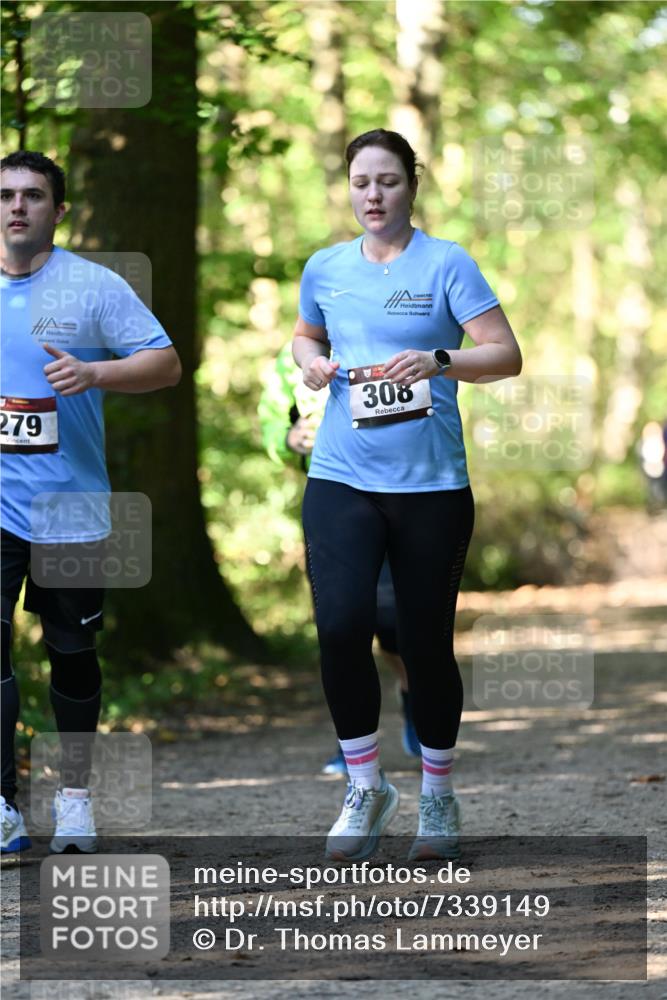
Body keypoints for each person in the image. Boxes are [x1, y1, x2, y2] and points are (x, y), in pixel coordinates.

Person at [292, 129, 522, 862]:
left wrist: (439, 359)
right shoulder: (324, 268)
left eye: (387, 181)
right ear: (348, 188)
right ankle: (364, 788)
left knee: (424, 645)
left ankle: (438, 796)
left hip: (430, 488)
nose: (373, 195)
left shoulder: (446, 262)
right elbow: (302, 337)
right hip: (339, 475)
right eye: (361, 182)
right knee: (339, 628)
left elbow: (505, 354)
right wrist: (313, 364)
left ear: (410, 186)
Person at [0, 151, 181, 854]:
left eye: (33, 196)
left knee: (72, 653)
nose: (17, 207)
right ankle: (4, 806)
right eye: (7, 195)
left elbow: (164, 363)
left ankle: (74, 799)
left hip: (69, 505)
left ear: (58, 211)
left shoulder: (91, 286)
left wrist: (95, 370)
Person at [258, 342, 421, 776]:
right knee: (340, 625)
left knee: (391, 623)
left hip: (397, 497)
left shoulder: (389, 335)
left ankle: (414, 698)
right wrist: (288, 439)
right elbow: (274, 421)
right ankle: (351, 746)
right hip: (333, 504)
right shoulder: (289, 357)